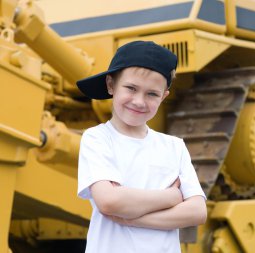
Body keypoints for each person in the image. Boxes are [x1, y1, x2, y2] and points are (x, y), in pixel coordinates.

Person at [76, 41, 207, 253]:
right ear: (111, 85)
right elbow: (109, 201)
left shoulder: (174, 147)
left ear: (163, 96)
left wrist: (134, 219)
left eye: (152, 94)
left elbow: (197, 211)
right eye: (131, 88)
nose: (139, 101)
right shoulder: (97, 138)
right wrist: (171, 197)